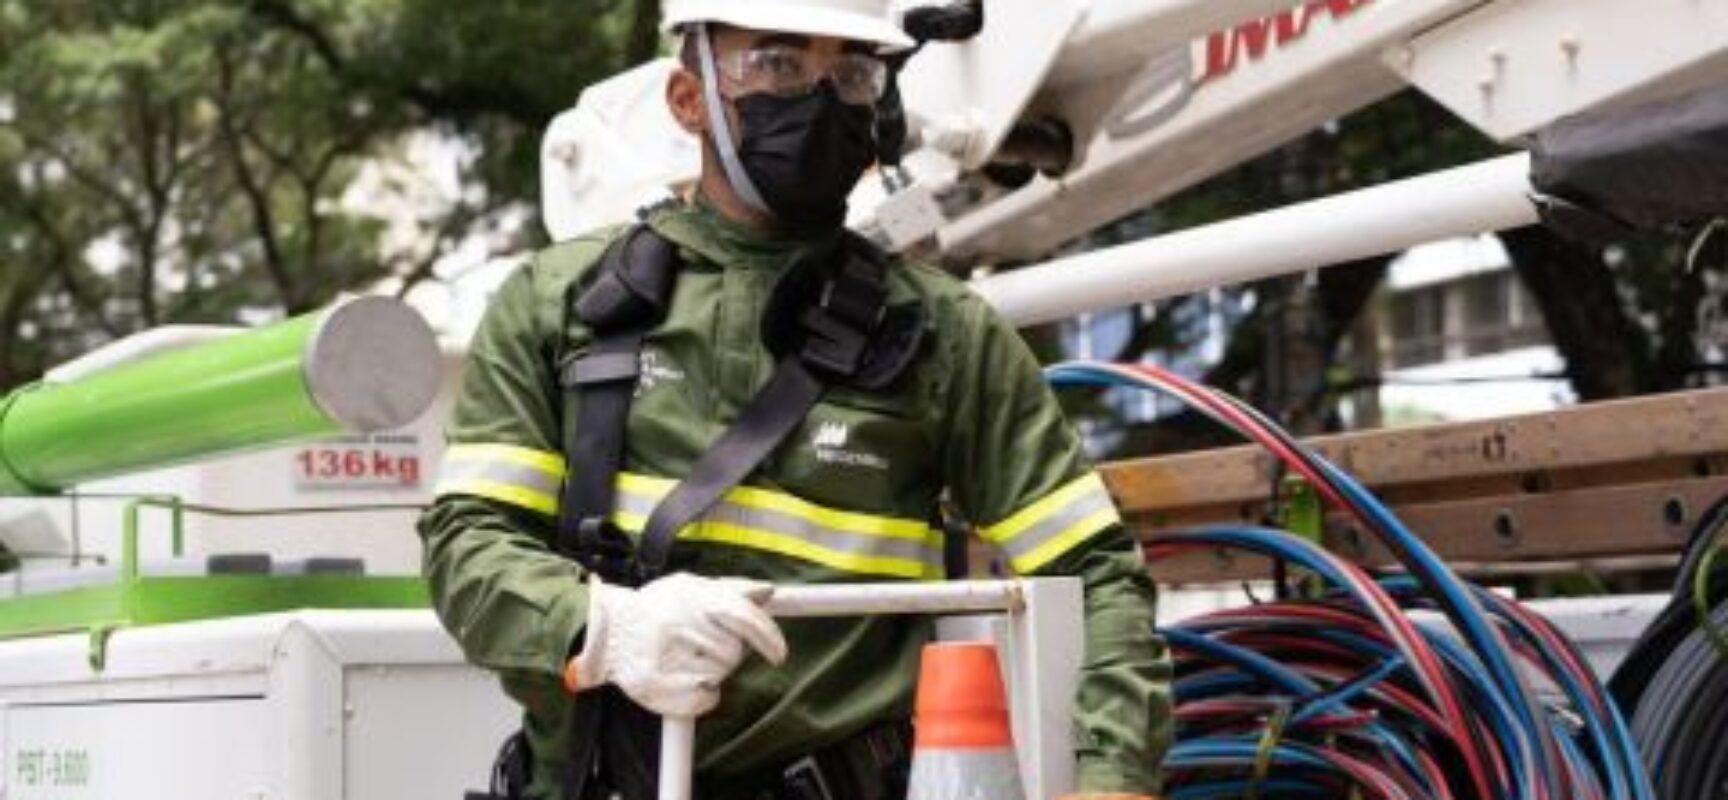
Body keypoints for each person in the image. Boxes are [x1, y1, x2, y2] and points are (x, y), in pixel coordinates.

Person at [419, 1, 1171, 798]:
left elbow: (1094, 570)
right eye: (776, 63)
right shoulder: (558, 302)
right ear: (689, 99)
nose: (818, 97)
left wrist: (1111, 775)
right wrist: (602, 628)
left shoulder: (944, 334)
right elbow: (468, 543)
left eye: (849, 73)